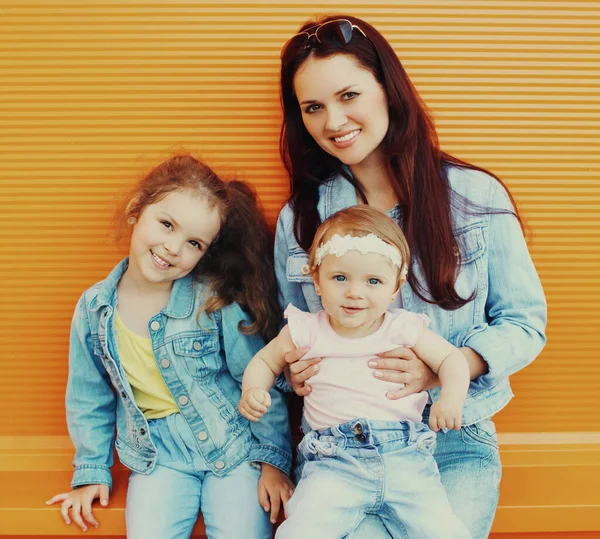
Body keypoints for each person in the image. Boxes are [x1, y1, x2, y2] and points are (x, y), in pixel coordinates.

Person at [275, 14, 547, 539]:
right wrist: (293, 372)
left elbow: (525, 324)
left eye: (349, 95)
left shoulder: (476, 198)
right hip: (339, 451)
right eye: (313, 107)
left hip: (453, 441)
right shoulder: (301, 219)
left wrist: (448, 370)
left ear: (387, 89)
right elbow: (285, 341)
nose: (334, 121)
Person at [46, 155, 294, 539]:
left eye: (193, 242)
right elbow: (89, 397)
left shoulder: (213, 303)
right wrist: (91, 472)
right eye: (166, 224)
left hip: (232, 447)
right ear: (135, 211)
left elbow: (258, 381)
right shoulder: (95, 310)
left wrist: (273, 461)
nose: (173, 248)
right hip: (158, 458)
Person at [239, 206, 472, 538]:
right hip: (333, 461)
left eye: (374, 281)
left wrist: (450, 398)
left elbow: (451, 360)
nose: (355, 292)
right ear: (316, 279)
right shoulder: (304, 329)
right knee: (299, 531)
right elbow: (264, 361)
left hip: (404, 457)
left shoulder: (403, 328)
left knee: (443, 531)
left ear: (395, 288)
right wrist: (254, 389)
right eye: (340, 278)